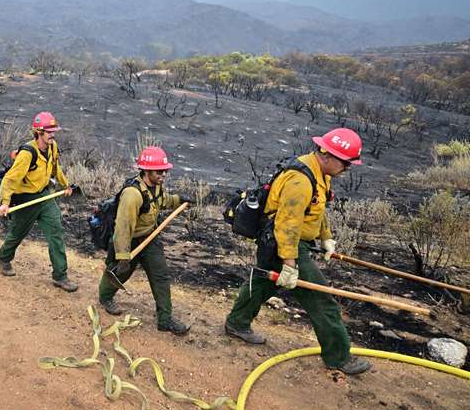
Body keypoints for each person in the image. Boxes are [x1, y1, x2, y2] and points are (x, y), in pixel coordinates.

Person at [224, 128, 371, 375]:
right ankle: (339, 357)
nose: (347, 168)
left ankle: (237, 323)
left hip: (284, 243)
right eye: (345, 162)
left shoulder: (320, 172)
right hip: (283, 244)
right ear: (327, 154)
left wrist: (326, 238)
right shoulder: (300, 180)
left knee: (262, 283)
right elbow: (287, 225)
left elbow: (317, 208)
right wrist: (290, 264)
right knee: (322, 301)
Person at [97, 146, 193, 335]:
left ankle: (165, 319)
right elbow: (123, 228)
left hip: (150, 238)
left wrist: (179, 199)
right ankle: (105, 297)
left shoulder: (155, 185)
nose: (164, 174)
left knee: (161, 276)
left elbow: (162, 200)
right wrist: (124, 256)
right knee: (118, 273)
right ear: (146, 170)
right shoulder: (132, 195)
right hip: (129, 241)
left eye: (165, 170)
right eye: (159, 171)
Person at [0, 111, 77, 292]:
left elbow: (56, 168)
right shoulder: (27, 153)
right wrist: (5, 202)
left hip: (45, 195)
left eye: (54, 131)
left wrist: (66, 185)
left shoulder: (53, 146)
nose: (53, 135)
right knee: (18, 232)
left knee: (56, 232)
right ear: (39, 132)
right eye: (49, 132)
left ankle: (60, 276)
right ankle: (4, 257)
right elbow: (10, 179)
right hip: (26, 198)